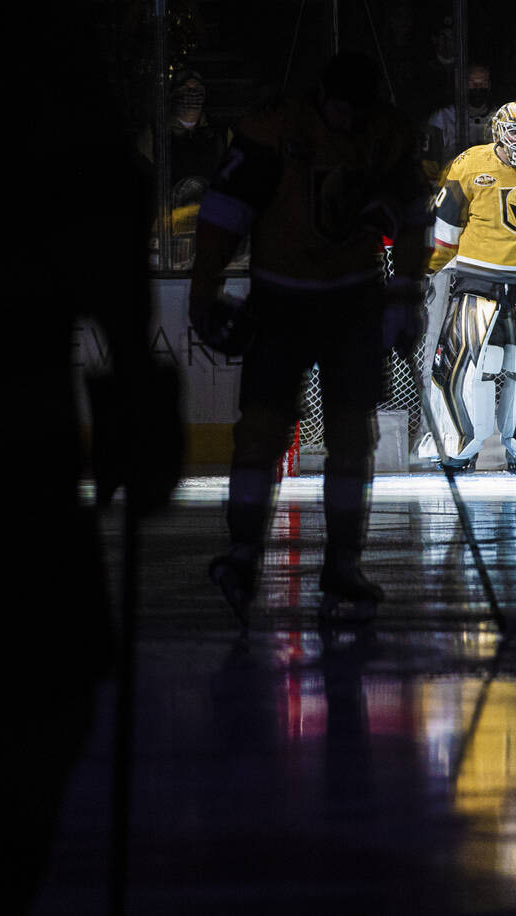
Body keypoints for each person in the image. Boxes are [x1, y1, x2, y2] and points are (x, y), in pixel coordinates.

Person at [0, 4, 182, 912]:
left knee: (36, 701)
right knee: (35, 700)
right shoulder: (22, 37)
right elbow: (97, 192)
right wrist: (136, 377)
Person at [190, 51, 430, 626]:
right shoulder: (276, 128)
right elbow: (225, 211)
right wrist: (203, 288)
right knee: (261, 432)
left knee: (353, 435)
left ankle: (343, 562)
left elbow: (414, 213)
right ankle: (243, 552)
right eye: (340, 107)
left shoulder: (387, 132)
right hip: (281, 299)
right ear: (322, 97)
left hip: (353, 300)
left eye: (358, 108)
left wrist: (404, 293)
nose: (348, 119)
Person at [420, 101, 516, 472]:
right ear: (497, 131)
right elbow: (445, 225)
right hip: (477, 280)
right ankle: (457, 444)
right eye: (513, 132)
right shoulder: (468, 164)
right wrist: (428, 267)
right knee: (464, 365)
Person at [422, 63, 495, 180]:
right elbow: (429, 166)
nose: (478, 86)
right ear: (462, 84)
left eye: (483, 82)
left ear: (490, 85)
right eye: (472, 82)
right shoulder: (442, 119)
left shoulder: (500, 118)